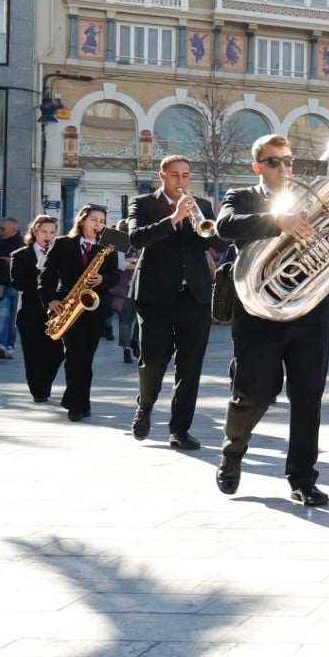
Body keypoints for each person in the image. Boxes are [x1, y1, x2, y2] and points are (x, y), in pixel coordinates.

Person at [215, 135, 329, 506]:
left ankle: (303, 478)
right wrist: (277, 220)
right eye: (274, 161)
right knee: (254, 395)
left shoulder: (315, 200)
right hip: (258, 315)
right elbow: (225, 226)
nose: (284, 167)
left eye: (288, 160)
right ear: (258, 166)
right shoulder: (242, 197)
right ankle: (232, 454)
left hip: (309, 314)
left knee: (308, 397)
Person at [124, 155, 216, 450]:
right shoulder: (143, 203)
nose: (181, 181)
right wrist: (173, 218)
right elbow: (136, 238)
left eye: (186, 175)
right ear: (161, 175)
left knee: (190, 368)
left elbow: (218, 244)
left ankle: (180, 429)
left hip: (195, 296)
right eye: (175, 175)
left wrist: (209, 227)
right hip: (155, 297)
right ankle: (145, 407)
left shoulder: (202, 205)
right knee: (152, 361)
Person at [39, 204, 121, 420]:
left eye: (102, 221)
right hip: (67, 303)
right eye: (94, 219)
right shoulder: (62, 243)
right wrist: (50, 300)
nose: (98, 224)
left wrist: (103, 279)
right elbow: (46, 276)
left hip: (95, 307)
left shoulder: (108, 246)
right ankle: (79, 406)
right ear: (82, 220)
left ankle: (72, 398)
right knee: (76, 356)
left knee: (85, 358)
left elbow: (115, 276)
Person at [10, 216, 64, 403]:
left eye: (52, 232)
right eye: (44, 232)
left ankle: (44, 382)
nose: (48, 236)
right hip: (30, 311)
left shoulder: (60, 253)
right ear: (34, 231)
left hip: (56, 311)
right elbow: (17, 283)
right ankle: (39, 391)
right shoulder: (20, 255)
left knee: (58, 351)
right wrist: (40, 278)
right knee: (33, 354)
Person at [0, 217, 22, 360]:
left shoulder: (23, 244)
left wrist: (13, 262)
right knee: (2, 316)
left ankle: (10, 346)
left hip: (17, 286)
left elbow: (33, 263)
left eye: (2, 229)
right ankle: (1, 345)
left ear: (14, 230)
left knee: (13, 319)